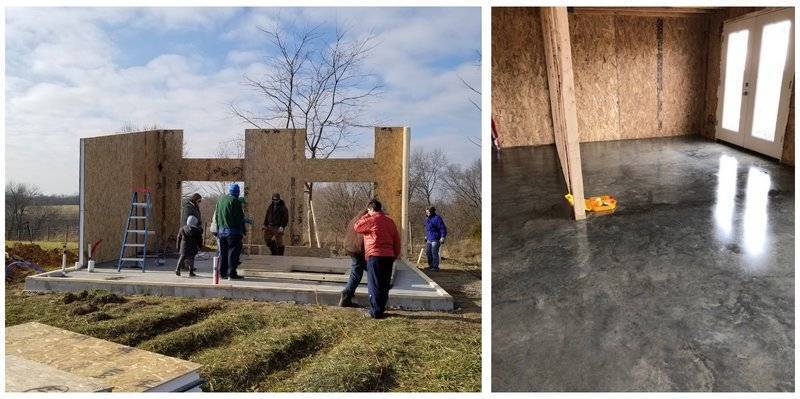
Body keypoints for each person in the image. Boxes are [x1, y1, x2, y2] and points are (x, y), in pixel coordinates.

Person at [354, 199, 401, 319]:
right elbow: (396, 239)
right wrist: (395, 254)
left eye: (368, 210)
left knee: (374, 284)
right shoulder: (390, 221)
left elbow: (357, 227)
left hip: (375, 256)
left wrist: (366, 215)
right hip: (388, 256)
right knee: (384, 284)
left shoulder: (371, 219)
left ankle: (375, 312)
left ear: (371, 209)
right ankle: (381, 309)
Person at [214, 183, 246, 280]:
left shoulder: (220, 200)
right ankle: (232, 273)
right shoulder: (235, 202)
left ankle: (222, 273)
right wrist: (243, 230)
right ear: (237, 192)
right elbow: (239, 218)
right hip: (233, 232)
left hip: (221, 232)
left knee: (223, 253)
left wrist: (218, 229)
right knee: (233, 253)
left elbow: (216, 216)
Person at [339, 209, 368, 307]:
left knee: (357, 271)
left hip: (350, 247)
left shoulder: (357, 217)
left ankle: (347, 295)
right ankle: (347, 293)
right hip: (357, 249)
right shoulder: (366, 219)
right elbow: (361, 238)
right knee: (372, 270)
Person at [424, 206, 447, 272]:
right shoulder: (427, 219)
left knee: (434, 252)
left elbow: (443, 228)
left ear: (432, 212)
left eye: (428, 212)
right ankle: (430, 266)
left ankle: (435, 267)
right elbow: (427, 229)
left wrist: (442, 237)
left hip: (436, 239)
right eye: (426, 212)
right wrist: (426, 236)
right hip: (429, 238)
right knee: (428, 252)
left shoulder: (437, 218)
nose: (427, 213)